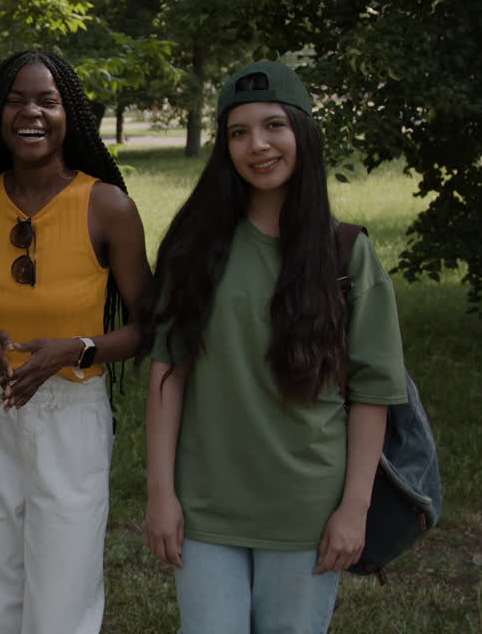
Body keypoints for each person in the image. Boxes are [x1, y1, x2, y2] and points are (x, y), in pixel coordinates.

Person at [142, 61, 408, 633]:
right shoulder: (196, 249)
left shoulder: (345, 255)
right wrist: (161, 494)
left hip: (307, 510)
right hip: (206, 507)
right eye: (238, 132)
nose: (257, 145)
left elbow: (373, 392)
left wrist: (353, 509)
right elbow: (168, 375)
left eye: (273, 126)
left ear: (303, 134)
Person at [0, 50, 152, 634]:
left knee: (65, 584)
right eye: (14, 100)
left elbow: (150, 326)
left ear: (71, 114)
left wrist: (77, 349)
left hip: (73, 410)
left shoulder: (108, 207)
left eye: (47, 100)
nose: (29, 112)